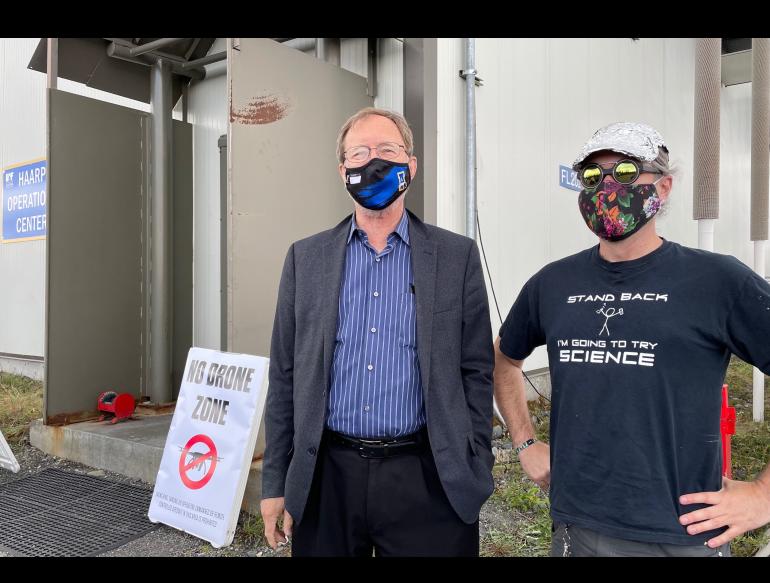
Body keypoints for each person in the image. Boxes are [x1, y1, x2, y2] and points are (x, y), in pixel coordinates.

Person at [494, 121, 770, 556]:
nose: (606, 187)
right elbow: (505, 359)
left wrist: (763, 496)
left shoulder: (717, 280)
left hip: (682, 532)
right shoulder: (553, 282)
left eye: (624, 172)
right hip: (576, 527)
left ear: (663, 187)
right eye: (591, 176)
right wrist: (525, 442)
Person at [260, 107, 495, 556]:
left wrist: (475, 459)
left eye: (388, 150)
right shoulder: (305, 260)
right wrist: (276, 482)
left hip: (428, 478)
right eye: (360, 153)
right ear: (342, 169)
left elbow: (476, 370)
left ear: (412, 165)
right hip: (328, 478)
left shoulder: (455, 257)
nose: (374, 163)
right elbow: (285, 378)